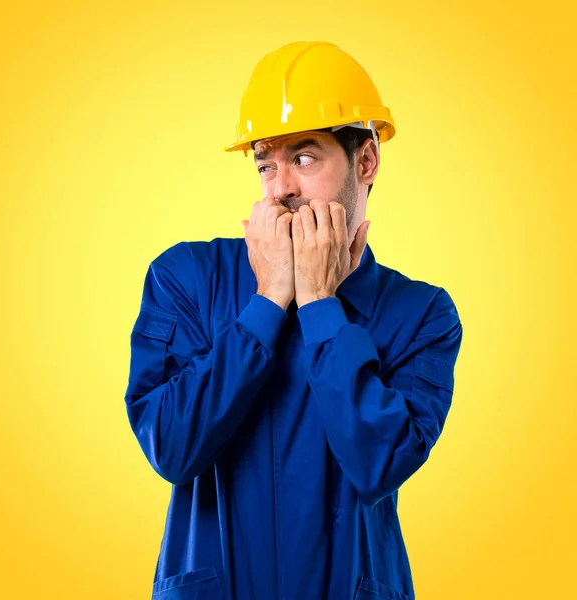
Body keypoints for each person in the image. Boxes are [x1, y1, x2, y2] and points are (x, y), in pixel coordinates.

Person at [124, 41, 463, 600]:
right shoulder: (185, 277)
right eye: (266, 163)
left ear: (366, 161)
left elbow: (379, 463)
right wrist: (267, 301)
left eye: (304, 158)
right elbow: (172, 447)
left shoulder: (422, 314)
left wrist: (320, 304)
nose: (281, 187)